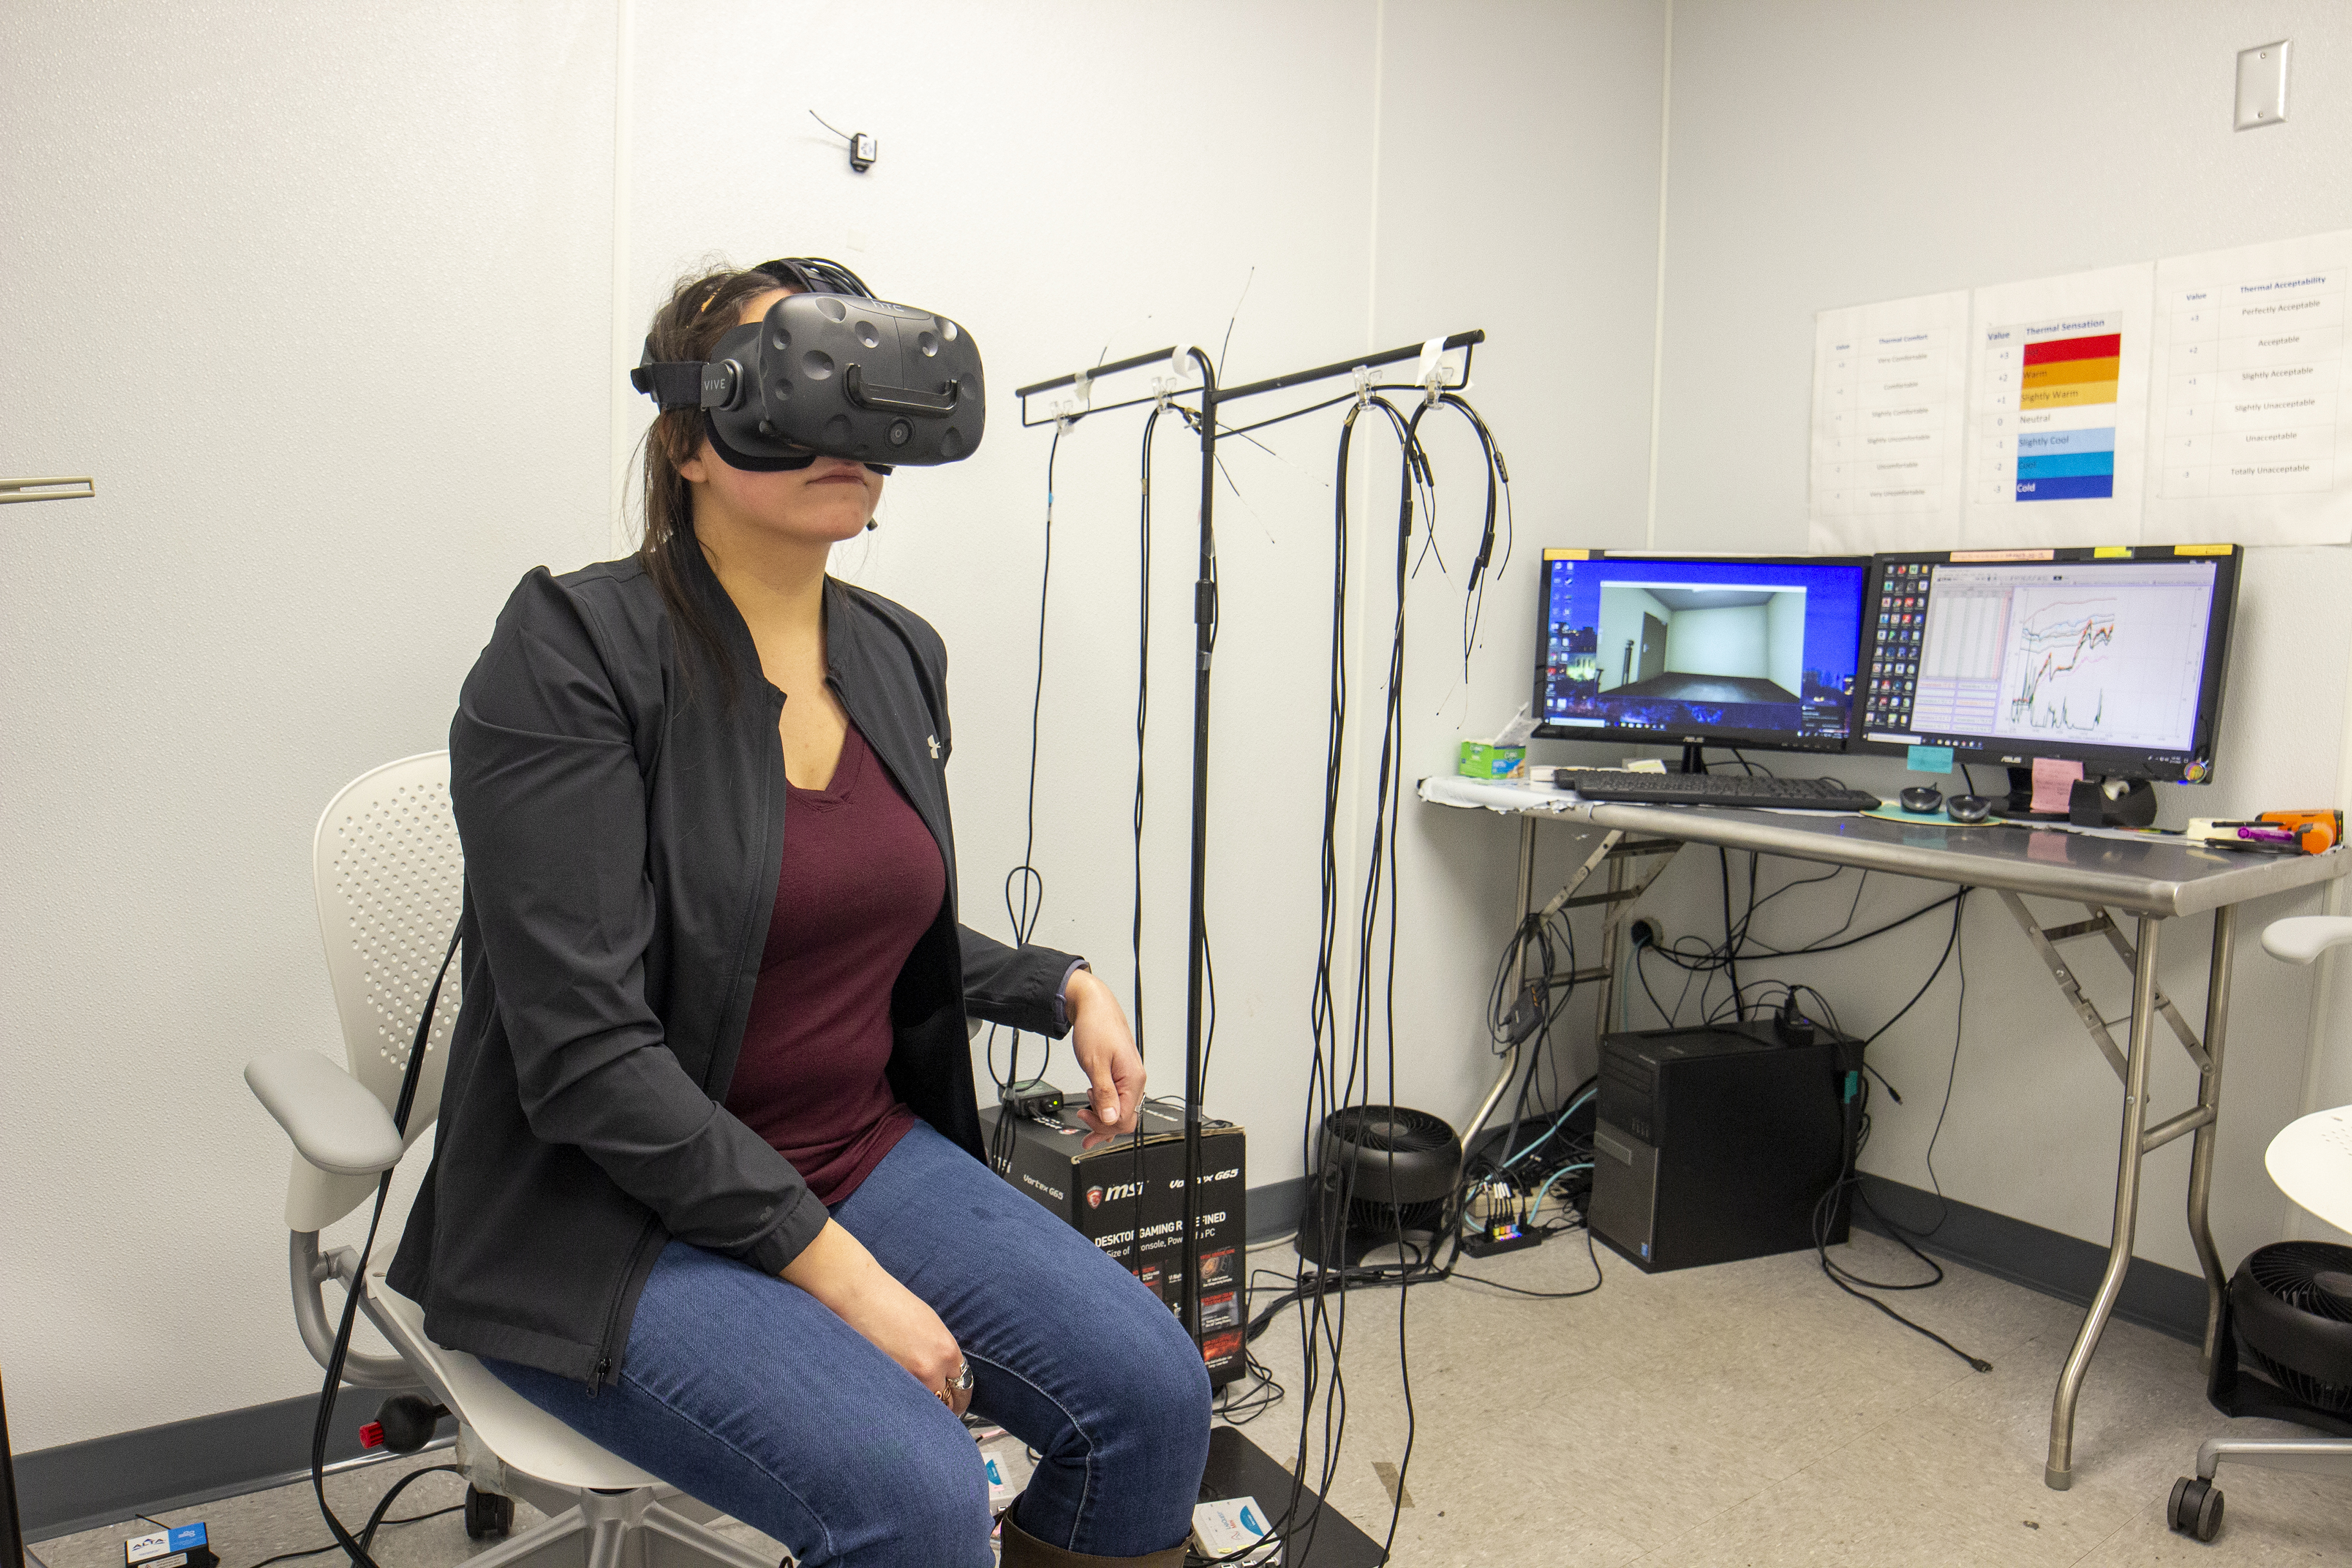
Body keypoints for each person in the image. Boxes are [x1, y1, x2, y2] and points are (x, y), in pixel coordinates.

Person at [387, 259, 1211, 1568]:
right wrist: (836, 1275)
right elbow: (587, 1056)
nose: (839, 429)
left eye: (863, 389)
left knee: (1157, 1396)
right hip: (605, 1218)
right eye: (790, 385)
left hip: (849, 1154)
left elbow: (844, 906)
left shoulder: (894, 651)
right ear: (687, 436)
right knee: (923, 1493)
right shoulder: (569, 653)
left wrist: (1057, 984)